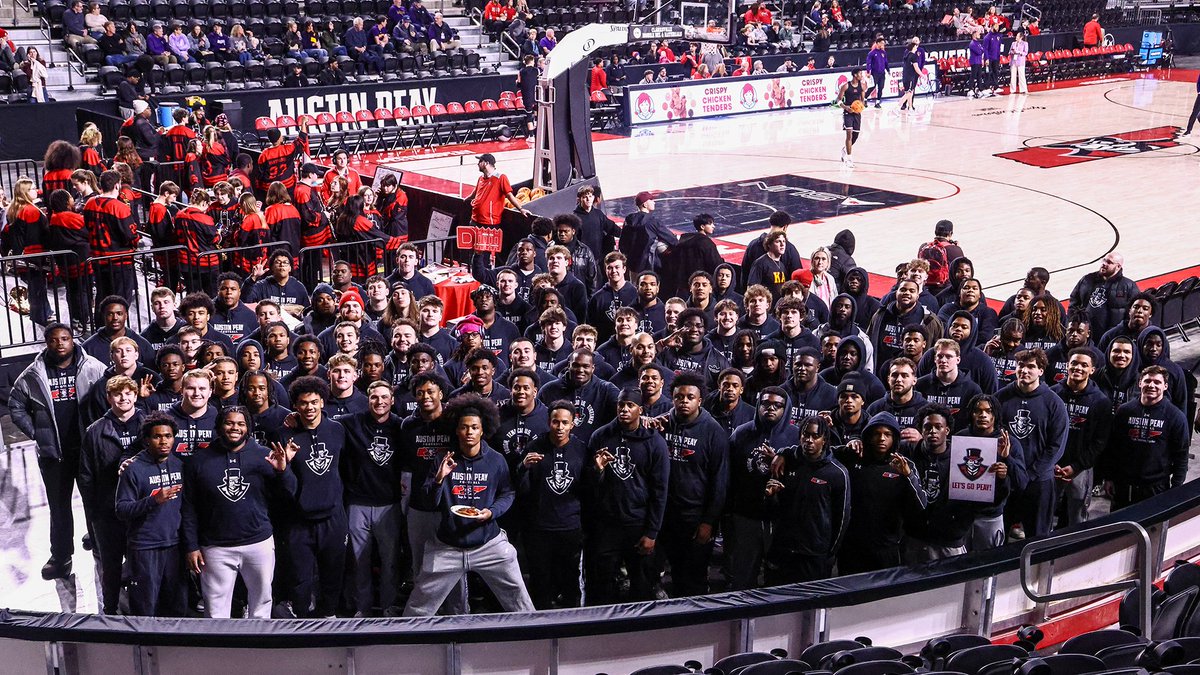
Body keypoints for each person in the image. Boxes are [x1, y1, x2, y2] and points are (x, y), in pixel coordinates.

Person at [403, 394, 535, 615]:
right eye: (464, 427)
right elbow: (428, 501)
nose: (469, 432)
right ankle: (405, 646)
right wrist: (439, 479)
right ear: (457, 430)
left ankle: (535, 640)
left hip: (489, 544)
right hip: (447, 546)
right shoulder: (443, 459)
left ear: (483, 430)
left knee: (521, 603)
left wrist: (491, 513)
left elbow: (508, 493)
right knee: (417, 609)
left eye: (475, 427)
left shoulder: (496, 460)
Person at [11, 324, 106, 580]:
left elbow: (108, 400)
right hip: (54, 454)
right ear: (47, 343)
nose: (60, 344)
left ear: (72, 340)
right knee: (59, 508)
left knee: (94, 503)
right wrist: (37, 433)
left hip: (87, 452)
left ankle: (101, 548)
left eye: (65, 338)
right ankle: (61, 557)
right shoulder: (33, 374)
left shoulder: (94, 367)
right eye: (54, 340)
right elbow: (16, 405)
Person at [182, 406, 297, 618]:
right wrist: (191, 546)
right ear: (219, 426)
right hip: (215, 546)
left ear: (248, 428)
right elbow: (188, 507)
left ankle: (258, 647)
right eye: (229, 423)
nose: (235, 427)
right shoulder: (197, 460)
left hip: (258, 542)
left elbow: (289, 493)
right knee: (215, 612)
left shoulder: (265, 455)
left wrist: (283, 470)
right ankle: (218, 651)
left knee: (262, 607)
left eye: (241, 423)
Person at [585, 388, 670, 604]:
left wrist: (652, 532)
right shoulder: (601, 436)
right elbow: (588, 486)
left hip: (638, 524)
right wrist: (597, 470)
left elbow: (660, 491)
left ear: (640, 410)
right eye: (621, 405)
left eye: (630, 405)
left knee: (641, 585)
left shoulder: (655, 442)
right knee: (600, 584)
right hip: (606, 524)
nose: (624, 409)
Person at [515, 400, 587, 609]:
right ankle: (541, 628)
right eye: (556, 422)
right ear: (549, 422)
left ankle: (573, 627)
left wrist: (596, 472)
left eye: (565, 422)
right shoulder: (534, 447)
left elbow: (588, 490)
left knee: (571, 582)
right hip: (539, 528)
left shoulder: (581, 449)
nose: (560, 427)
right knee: (540, 582)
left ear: (573, 424)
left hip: (570, 527)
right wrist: (523, 468)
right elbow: (522, 490)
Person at [115, 413, 186, 617]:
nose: (163, 441)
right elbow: (122, 509)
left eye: (168, 436)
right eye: (157, 436)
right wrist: (153, 500)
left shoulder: (179, 465)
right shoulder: (133, 468)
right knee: (145, 609)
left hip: (174, 546)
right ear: (146, 440)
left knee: (177, 609)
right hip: (145, 548)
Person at [836, 411, 926, 573]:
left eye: (887, 434)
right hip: (851, 547)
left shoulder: (904, 466)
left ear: (895, 438)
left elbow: (921, 506)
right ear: (868, 436)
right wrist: (785, 454)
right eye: (876, 434)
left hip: (886, 548)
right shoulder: (854, 457)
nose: (881, 439)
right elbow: (822, 454)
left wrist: (909, 476)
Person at [998, 348, 1068, 539]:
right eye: (1021, 365)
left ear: (1041, 371)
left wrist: (1031, 473)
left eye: (1031, 366)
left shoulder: (1054, 403)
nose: (1025, 370)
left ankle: (1039, 570)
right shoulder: (1001, 398)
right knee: (999, 536)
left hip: (1039, 481)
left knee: (1038, 539)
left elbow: (1056, 446)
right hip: (1006, 479)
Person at [726, 387, 791, 589]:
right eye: (765, 404)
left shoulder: (795, 437)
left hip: (781, 519)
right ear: (758, 405)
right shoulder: (741, 433)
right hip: (746, 516)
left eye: (777, 405)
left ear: (786, 408)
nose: (770, 408)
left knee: (778, 579)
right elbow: (729, 475)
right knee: (742, 578)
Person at [1105, 366, 1190, 509]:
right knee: (1118, 528)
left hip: (1155, 488)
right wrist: (1108, 477)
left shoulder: (1175, 416)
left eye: (1157, 382)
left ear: (1165, 386)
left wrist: (1176, 487)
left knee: (1150, 529)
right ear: (1140, 383)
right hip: (1123, 485)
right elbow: (1113, 448)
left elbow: (1181, 455)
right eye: (1147, 381)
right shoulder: (1125, 411)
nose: (1151, 385)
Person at [1051, 347, 1111, 528]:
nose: (1078, 368)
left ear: (1092, 370)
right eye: (1074, 363)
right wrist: (1050, 462)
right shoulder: (1052, 394)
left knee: (1077, 517)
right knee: (1045, 514)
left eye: (1084, 365)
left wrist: (1076, 466)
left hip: (1080, 468)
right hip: (1051, 466)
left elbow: (1099, 442)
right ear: (1067, 366)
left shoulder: (1101, 401)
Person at [1068, 252, 1140, 337]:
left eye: (1109, 262)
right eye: (1104, 260)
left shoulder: (1128, 286)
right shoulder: (1087, 279)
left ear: (1118, 266)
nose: (1104, 264)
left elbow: (1134, 312)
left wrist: (1122, 331)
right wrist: (1074, 321)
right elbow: (1074, 301)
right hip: (1084, 334)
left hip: (1112, 336)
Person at [838, 69, 867, 167]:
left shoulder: (862, 86)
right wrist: (846, 107)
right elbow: (838, 100)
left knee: (855, 137)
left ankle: (845, 150)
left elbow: (863, 100)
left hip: (857, 113)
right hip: (848, 112)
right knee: (849, 135)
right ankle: (849, 159)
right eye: (860, 74)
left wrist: (861, 106)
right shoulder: (846, 86)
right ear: (855, 75)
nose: (861, 75)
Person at [865, 38, 887, 108]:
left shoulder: (883, 52)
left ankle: (877, 102)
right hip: (875, 73)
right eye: (882, 43)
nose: (883, 45)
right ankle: (864, 98)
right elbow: (868, 63)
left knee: (881, 87)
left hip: (882, 73)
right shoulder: (872, 53)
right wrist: (868, 71)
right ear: (877, 43)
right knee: (872, 87)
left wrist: (888, 70)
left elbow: (886, 62)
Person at [1009, 31, 1029, 95]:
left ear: (1021, 37)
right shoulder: (1013, 43)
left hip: (1020, 61)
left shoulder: (1025, 43)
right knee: (1013, 75)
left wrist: (1019, 52)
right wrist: (1013, 52)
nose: (1016, 37)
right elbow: (1010, 51)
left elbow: (1025, 53)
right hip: (1013, 61)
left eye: (1017, 36)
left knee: (1021, 75)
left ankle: (1023, 89)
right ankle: (1012, 90)